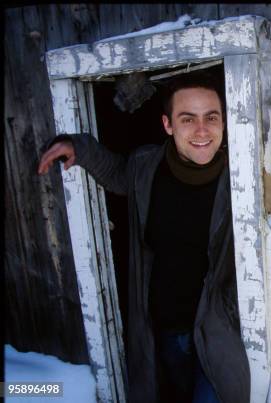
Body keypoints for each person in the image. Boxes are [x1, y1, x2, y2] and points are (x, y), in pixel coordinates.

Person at [38, 76, 250, 403]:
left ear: (224, 119)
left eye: (211, 117)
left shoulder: (240, 175)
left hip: (220, 328)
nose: (202, 130)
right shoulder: (146, 167)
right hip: (167, 327)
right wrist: (77, 147)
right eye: (187, 119)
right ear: (167, 124)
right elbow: (116, 173)